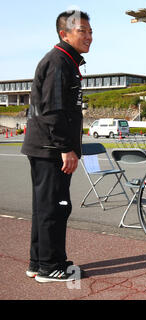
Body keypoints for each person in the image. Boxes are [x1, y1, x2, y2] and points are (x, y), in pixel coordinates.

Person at [21, 10, 93, 282]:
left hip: (44, 146)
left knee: (45, 207)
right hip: (51, 148)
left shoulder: (65, 61)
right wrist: (66, 147)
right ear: (64, 34)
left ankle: (39, 262)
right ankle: (50, 266)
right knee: (56, 207)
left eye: (90, 31)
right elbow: (52, 110)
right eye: (81, 31)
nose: (88, 36)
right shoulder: (58, 62)